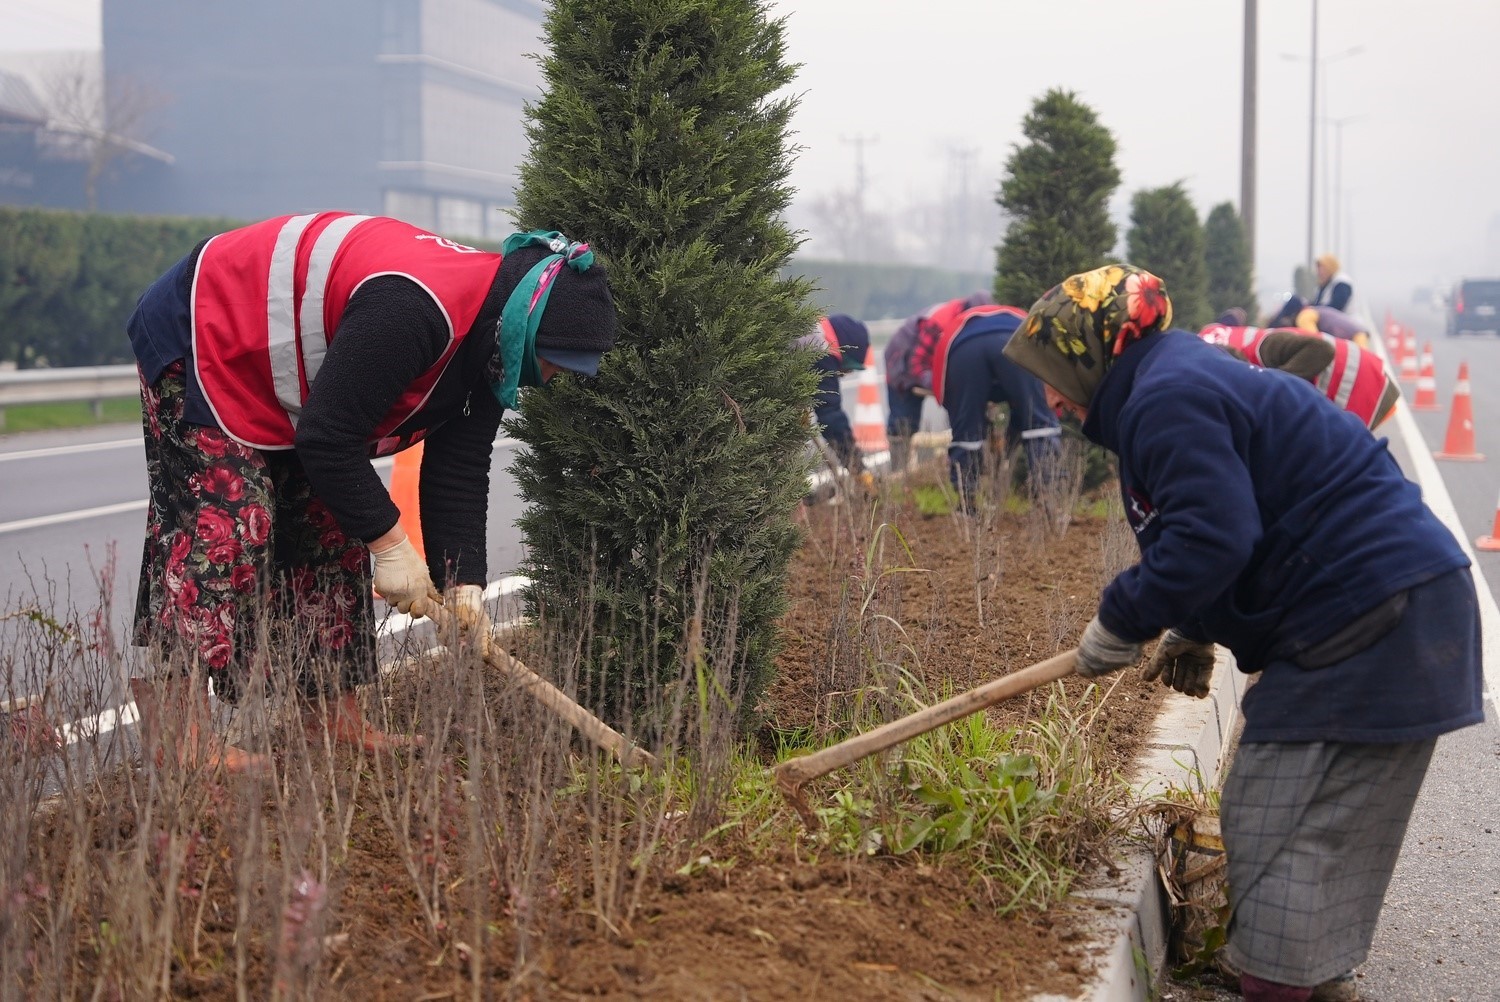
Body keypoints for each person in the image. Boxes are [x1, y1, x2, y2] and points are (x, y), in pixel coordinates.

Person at [1002, 264, 1483, 1002]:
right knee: (1307, 818)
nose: (1051, 399)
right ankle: (1306, 980)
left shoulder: (1166, 398)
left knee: (1277, 818)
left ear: (1094, 355)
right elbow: (1220, 520)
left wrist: (1123, 620)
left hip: (1376, 611)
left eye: (1053, 374)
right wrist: (1191, 628)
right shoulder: (1171, 383)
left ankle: (1278, 983)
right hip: (1387, 606)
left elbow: (1213, 536)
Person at [126, 213, 618, 772]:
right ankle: (177, 738)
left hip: (291, 382)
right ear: (527, 325)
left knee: (334, 526)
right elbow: (329, 437)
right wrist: (390, 544)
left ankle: (331, 715)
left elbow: (457, 470)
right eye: (554, 359)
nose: (552, 376)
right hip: (209, 334)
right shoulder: (413, 312)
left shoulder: (490, 343)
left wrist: (464, 586)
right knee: (230, 521)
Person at [929, 303, 1061, 509]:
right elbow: (1050, 395)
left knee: (966, 432)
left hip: (964, 349)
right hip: (1017, 339)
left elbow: (945, 389)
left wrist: (962, 413)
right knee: (1039, 424)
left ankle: (967, 500)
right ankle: (1046, 495)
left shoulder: (958, 325)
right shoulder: (1020, 316)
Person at [1197, 321, 1401, 430]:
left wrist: (1268, 391)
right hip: (1358, 378)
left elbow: (1321, 350)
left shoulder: (1263, 348)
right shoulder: (1216, 342)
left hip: (1363, 385)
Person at [801, 313, 874, 490]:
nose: (842, 375)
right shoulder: (823, 350)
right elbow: (831, 418)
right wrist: (858, 468)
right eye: (845, 369)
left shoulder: (814, 329)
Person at [1268, 295, 1371, 347]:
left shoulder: (1304, 316)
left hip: (1356, 339)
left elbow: (1315, 342)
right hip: (1358, 335)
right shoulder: (1314, 310)